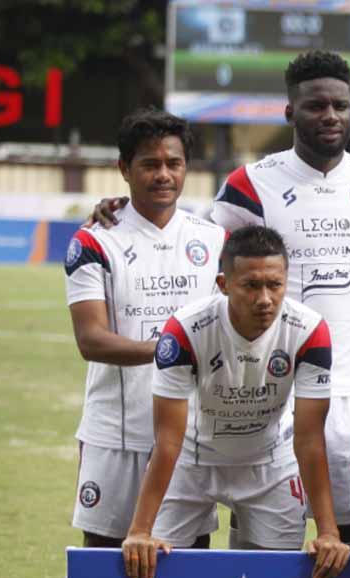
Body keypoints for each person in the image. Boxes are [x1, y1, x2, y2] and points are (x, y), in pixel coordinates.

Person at [90, 50, 350, 543]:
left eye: (340, 106)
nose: (331, 116)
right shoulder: (249, 185)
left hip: (346, 388)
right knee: (254, 528)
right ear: (289, 112)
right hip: (263, 391)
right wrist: (128, 208)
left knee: (341, 535)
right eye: (316, 106)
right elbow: (204, 250)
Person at [120, 226, 349, 578]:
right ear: (224, 284)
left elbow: (308, 438)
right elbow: (167, 439)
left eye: (274, 285)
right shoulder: (184, 330)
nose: (264, 299)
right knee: (159, 575)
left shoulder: (310, 330)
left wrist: (328, 531)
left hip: (269, 464)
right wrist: (140, 529)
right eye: (251, 285)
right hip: (192, 460)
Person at [65, 108, 225, 548]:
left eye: (173, 163)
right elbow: (90, 340)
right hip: (115, 436)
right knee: (106, 569)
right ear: (124, 168)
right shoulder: (94, 240)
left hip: (188, 439)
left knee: (186, 573)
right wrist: (170, 350)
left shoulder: (212, 239)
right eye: (149, 164)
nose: (163, 175)